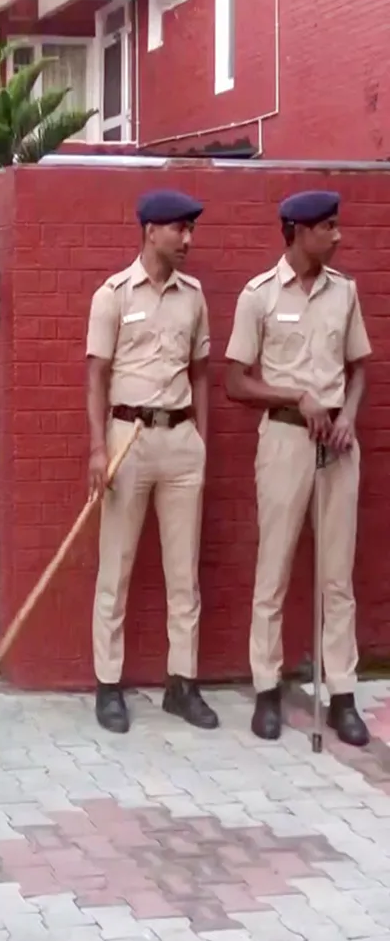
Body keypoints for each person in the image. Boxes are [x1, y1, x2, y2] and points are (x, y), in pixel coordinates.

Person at [225, 190, 370, 747]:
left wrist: (348, 418)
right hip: (285, 437)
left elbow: (359, 369)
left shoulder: (346, 293)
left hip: (337, 442)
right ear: (298, 231)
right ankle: (267, 687)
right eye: (327, 228)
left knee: (338, 576)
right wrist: (294, 395)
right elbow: (236, 381)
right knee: (274, 568)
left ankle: (342, 694)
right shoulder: (257, 297)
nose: (337, 236)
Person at [84, 189, 217, 736]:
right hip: (127, 438)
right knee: (115, 565)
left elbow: (203, 370)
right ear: (150, 231)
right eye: (179, 229)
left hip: (180, 438)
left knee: (183, 571)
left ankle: (181, 683)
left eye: (190, 231)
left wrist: (201, 437)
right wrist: (97, 447)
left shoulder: (194, 295)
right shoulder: (112, 295)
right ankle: (108, 684)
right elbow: (95, 375)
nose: (187, 240)